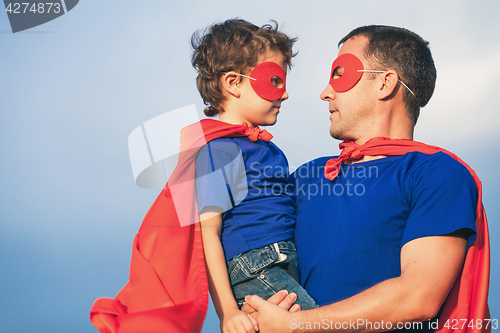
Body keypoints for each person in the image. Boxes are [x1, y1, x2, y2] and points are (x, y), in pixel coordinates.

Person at [243, 25, 490, 333]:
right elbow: (224, 222)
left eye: (340, 74)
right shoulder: (305, 177)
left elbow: (418, 296)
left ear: (386, 83)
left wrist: (295, 325)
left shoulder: (438, 174)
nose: (325, 92)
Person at [191, 19, 317, 333]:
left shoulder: (269, 150)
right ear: (233, 82)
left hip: (285, 263)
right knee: (322, 324)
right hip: (254, 267)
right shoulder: (220, 150)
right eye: (274, 80)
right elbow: (207, 234)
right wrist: (228, 313)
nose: (284, 94)